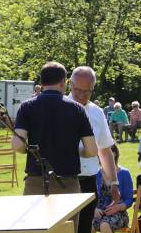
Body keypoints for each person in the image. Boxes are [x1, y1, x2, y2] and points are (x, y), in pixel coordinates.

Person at [67, 65, 120, 233]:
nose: (81, 95)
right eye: (77, 90)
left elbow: (105, 149)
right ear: (69, 86)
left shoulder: (97, 113)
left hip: (88, 181)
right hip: (62, 181)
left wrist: (114, 181)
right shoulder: (60, 108)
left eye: (86, 92)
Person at [13, 61, 98, 197]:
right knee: (68, 219)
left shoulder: (26, 107)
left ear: (42, 82)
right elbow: (92, 150)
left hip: (36, 181)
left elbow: (18, 145)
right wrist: (77, 151)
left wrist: (28, 149)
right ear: (63, 82)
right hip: (67, 183)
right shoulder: (77, 109)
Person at [87, 144, 133, 233]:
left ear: (114, 155)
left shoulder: (124, 173)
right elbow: (91, 196)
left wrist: (118, 207)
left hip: (118, 212)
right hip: (98, 211)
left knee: (104, 225)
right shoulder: (95, 174)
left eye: (108, 154)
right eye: (102, 154)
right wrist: (94, 208)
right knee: (88, 225)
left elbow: (129, 199)